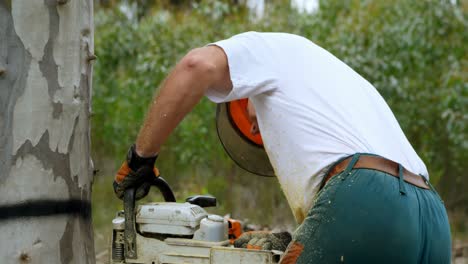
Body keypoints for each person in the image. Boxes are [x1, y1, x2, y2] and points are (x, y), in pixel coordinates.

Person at [113, 32, 451, 263]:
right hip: (432, 219)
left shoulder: (267, 49)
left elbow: (196, 66)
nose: (257, 129)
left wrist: (141, 157)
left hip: (368, 200)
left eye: (252, 123)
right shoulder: (338, 85)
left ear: (242, 92)